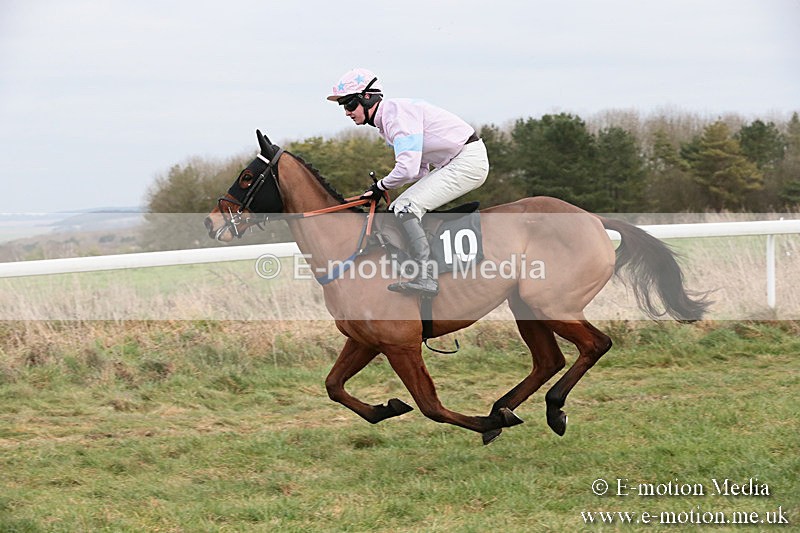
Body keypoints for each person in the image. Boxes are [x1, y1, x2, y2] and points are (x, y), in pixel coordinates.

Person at [327, 68, 490, 296]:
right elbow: (419, 170)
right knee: (399, 206)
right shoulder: (388, 120)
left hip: (467, 161)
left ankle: (426, 277)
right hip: (456, 161)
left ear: (368, 98)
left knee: (405, 207)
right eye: (343, 106)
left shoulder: (395, 116)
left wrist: (379, 186)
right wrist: (383, 188)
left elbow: (408, 168)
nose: (347, 112)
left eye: (350, 104)